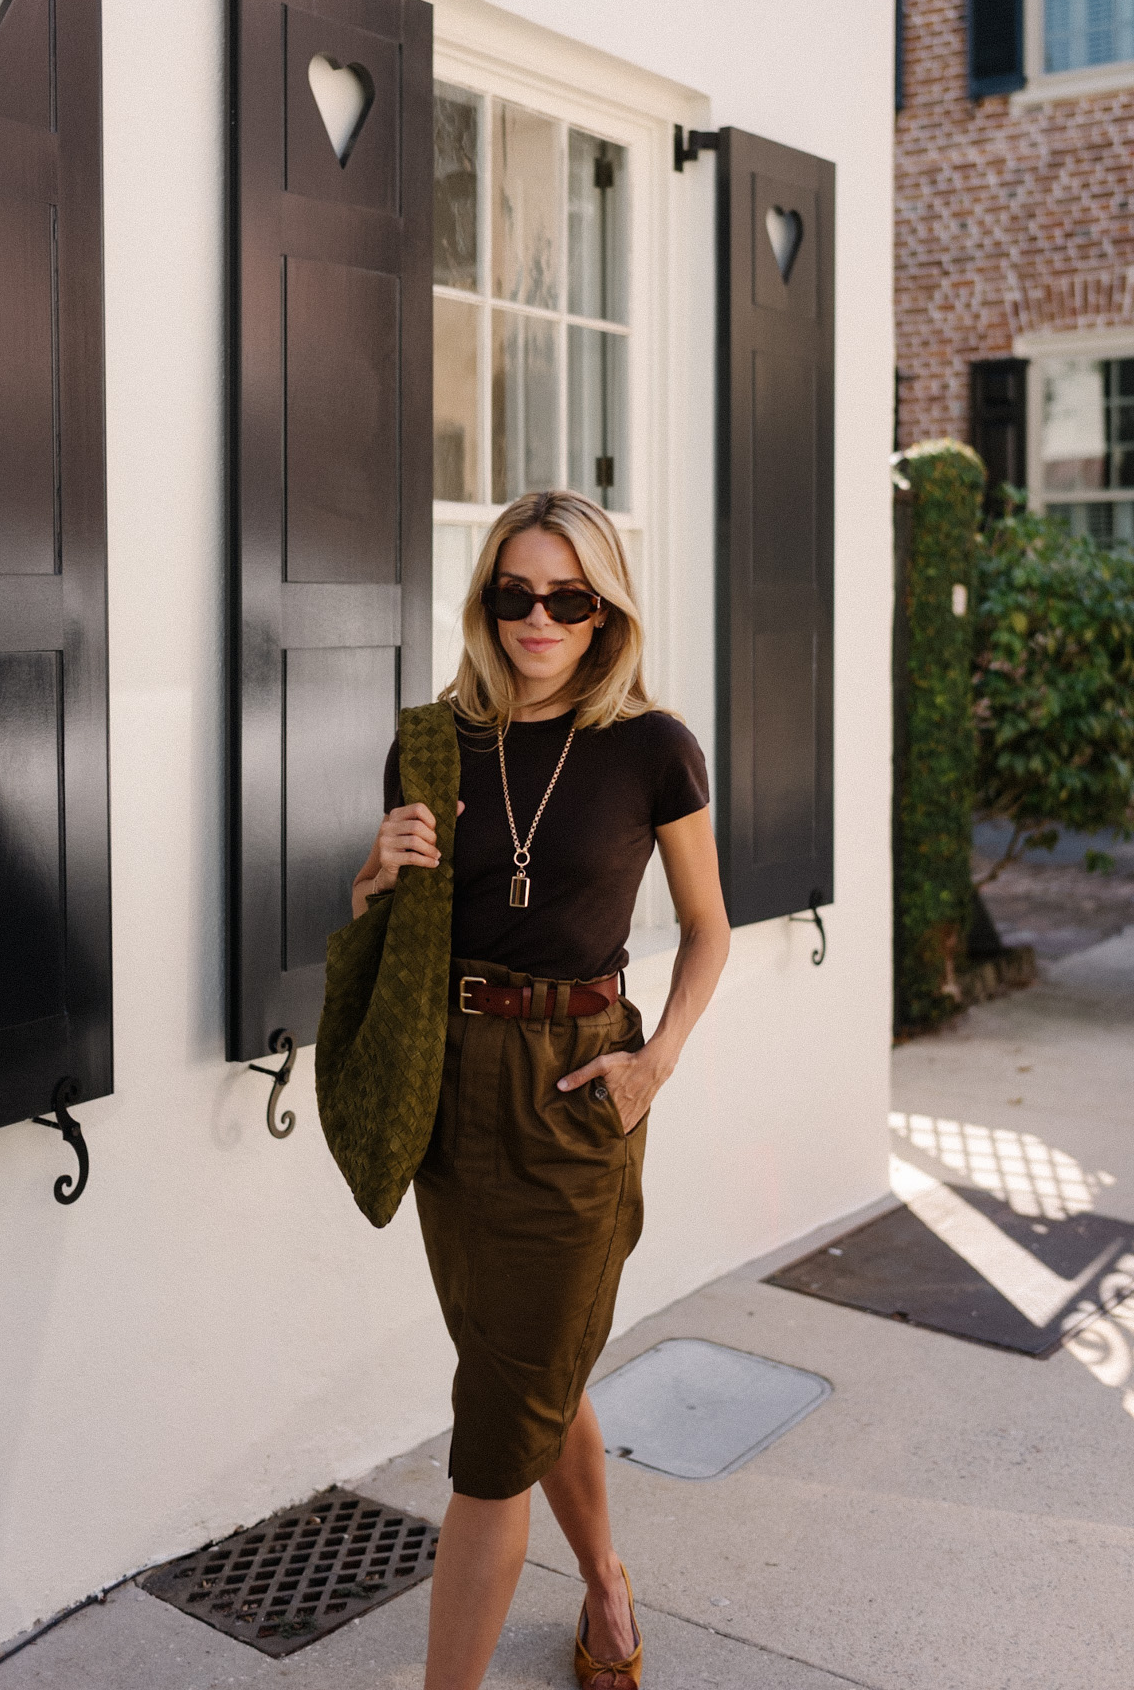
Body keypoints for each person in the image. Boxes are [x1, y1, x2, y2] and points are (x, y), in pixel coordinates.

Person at [351, 489, 731, 1690]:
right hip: (449, 1091)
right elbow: (391, 936)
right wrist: (373, 875)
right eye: (513, 593)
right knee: (526, 1369)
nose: (537, 618)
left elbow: (710, 930)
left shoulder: (652, 747)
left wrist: (653, 1062)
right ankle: (608, 1586)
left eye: (566, 597)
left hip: (575, 1089)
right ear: (486, 601)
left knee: (490, 1434)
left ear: (603, 609)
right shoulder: (433, 741)